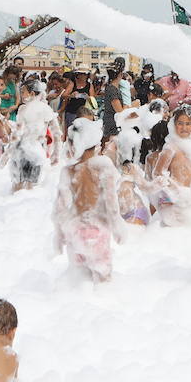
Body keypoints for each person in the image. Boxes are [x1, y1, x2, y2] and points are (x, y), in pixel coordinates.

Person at [54, 118, 125, 282]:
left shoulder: (68, 171)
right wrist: (117, 227)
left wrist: (59, 236)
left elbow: (60, 207)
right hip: (97, 230)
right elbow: (111, 202)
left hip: (74, 231)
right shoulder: (102, 166)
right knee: (102, 278)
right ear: (95, 145)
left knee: (79, 279)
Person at [149, 104, 191, 227]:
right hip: (175, 200)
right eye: (180, 123)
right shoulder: (170, 147)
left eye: (188, 124)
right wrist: (173, 191)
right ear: (174, 125)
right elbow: (157, 173)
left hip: (188, 197)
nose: (184, 127)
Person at [100, 65, 126, 138]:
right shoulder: (112, 89)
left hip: (111, 122)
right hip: (112, 123)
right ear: (120, 75)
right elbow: (119, 111)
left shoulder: (112, 87)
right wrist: (131, 106)